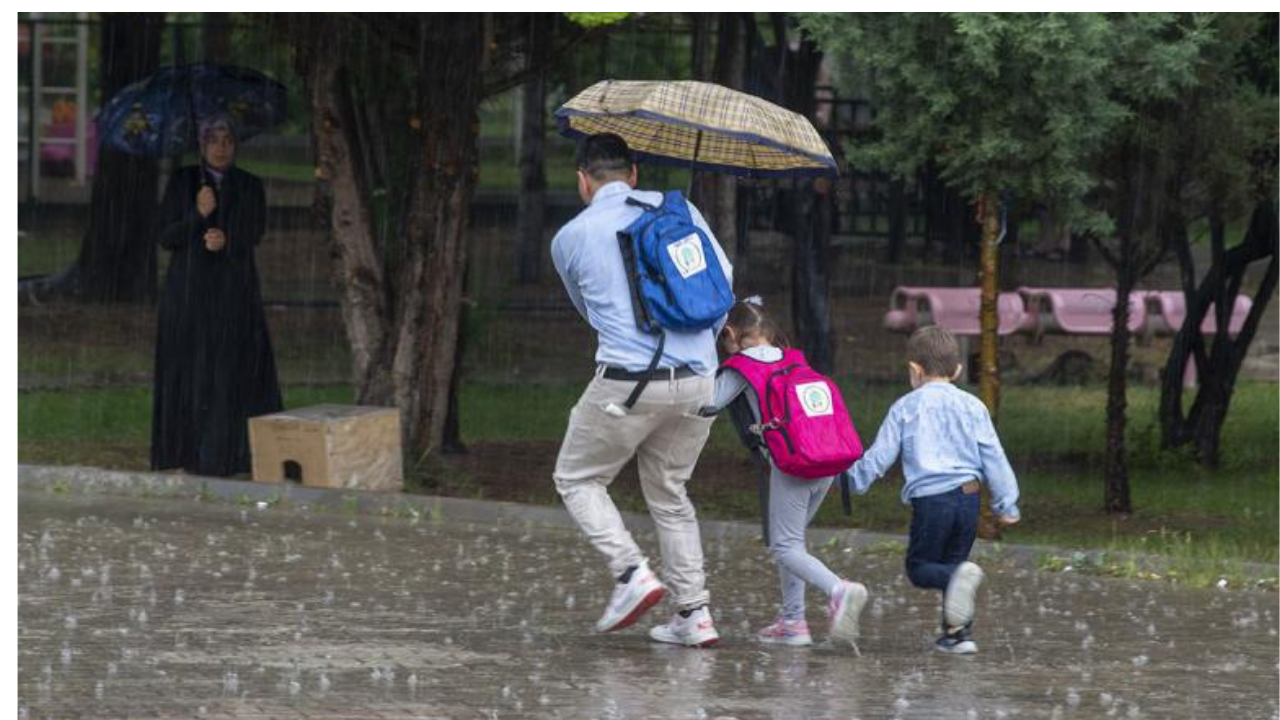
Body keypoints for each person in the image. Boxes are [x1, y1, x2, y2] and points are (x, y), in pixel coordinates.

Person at [551, 133, 731, 648]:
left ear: (583, 181)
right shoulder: (681, 212)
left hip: (629, 382)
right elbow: (722, 285)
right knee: (671, 494)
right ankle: (695, 614)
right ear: (634, 174)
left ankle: (632, 573)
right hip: (700, 378)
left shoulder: (570, 237)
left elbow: (588, 312)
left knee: (578, 478)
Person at [842, 325, 1021, 654]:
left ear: (915, 370)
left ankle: (956, 600)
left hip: (932, 501)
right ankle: (957, 636)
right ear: (957, 370)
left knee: (921, 568)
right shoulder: (974, 406)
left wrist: (852, 481)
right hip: (969, 496)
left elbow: (880, 457)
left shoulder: (906, 407)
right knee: (956, 565)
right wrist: (1007, 504)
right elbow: (994, 456)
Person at [700, 298, 868, 647]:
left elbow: (708, 403)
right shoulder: (794, 360)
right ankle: (793, 621)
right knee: (792, 542)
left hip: (793, 465)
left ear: (730, 334)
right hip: (826, 461)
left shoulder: (742, 366)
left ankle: (839, 590)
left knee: (786, 545)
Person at [151, 115, 282, 477]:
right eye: (213, 140)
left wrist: (228, 240)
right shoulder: (184, 181)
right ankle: (190, 452)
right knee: (193, 372)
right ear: (202, 145)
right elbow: (166, 237)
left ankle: (231, 454)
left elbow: (255, 229)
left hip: (233, 291)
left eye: (227, 140)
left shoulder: (249, 185)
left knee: (230, 370)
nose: (221, 147)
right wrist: (198, 215)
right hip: (190, 292)